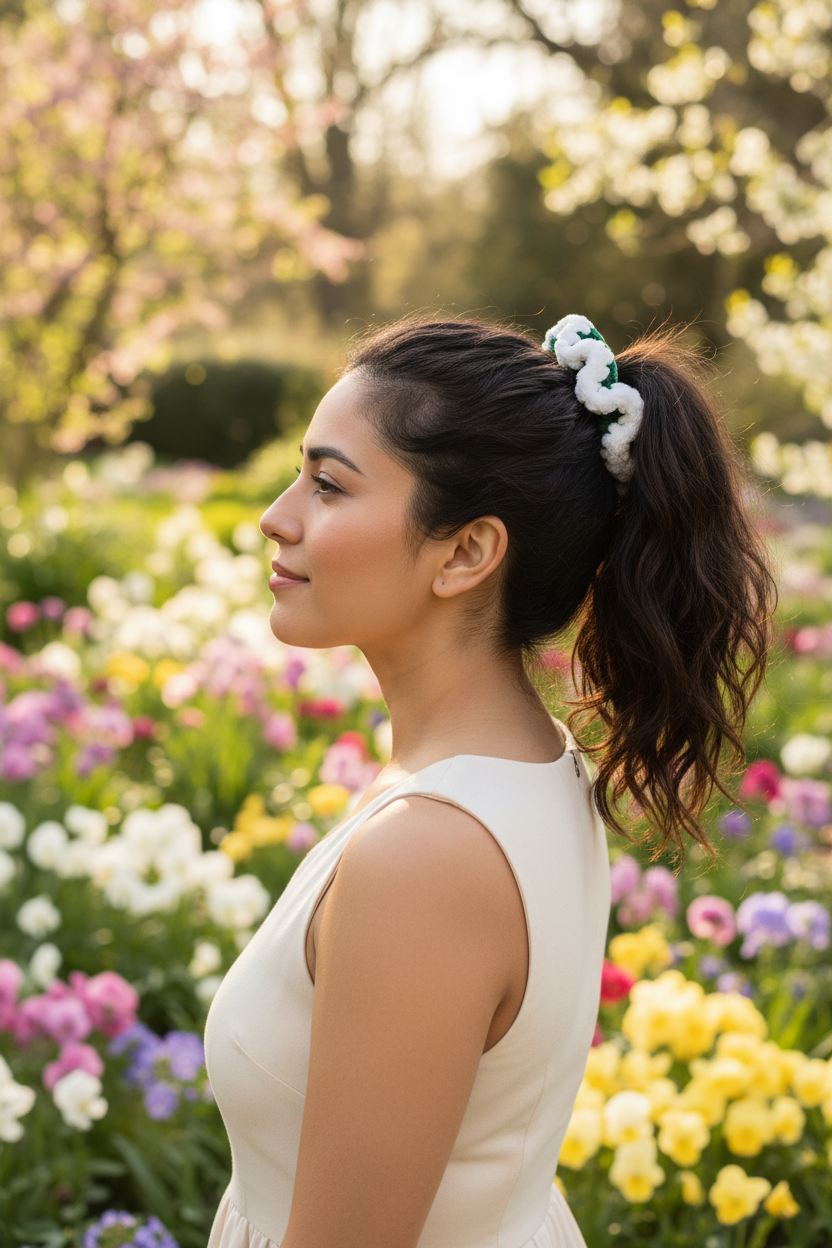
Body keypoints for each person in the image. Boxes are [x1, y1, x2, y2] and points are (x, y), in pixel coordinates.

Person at [204, 314, 774, 1248]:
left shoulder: (429, 855)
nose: (279, 514)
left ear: (466, 552)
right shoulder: (527, 763)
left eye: (328, 483)